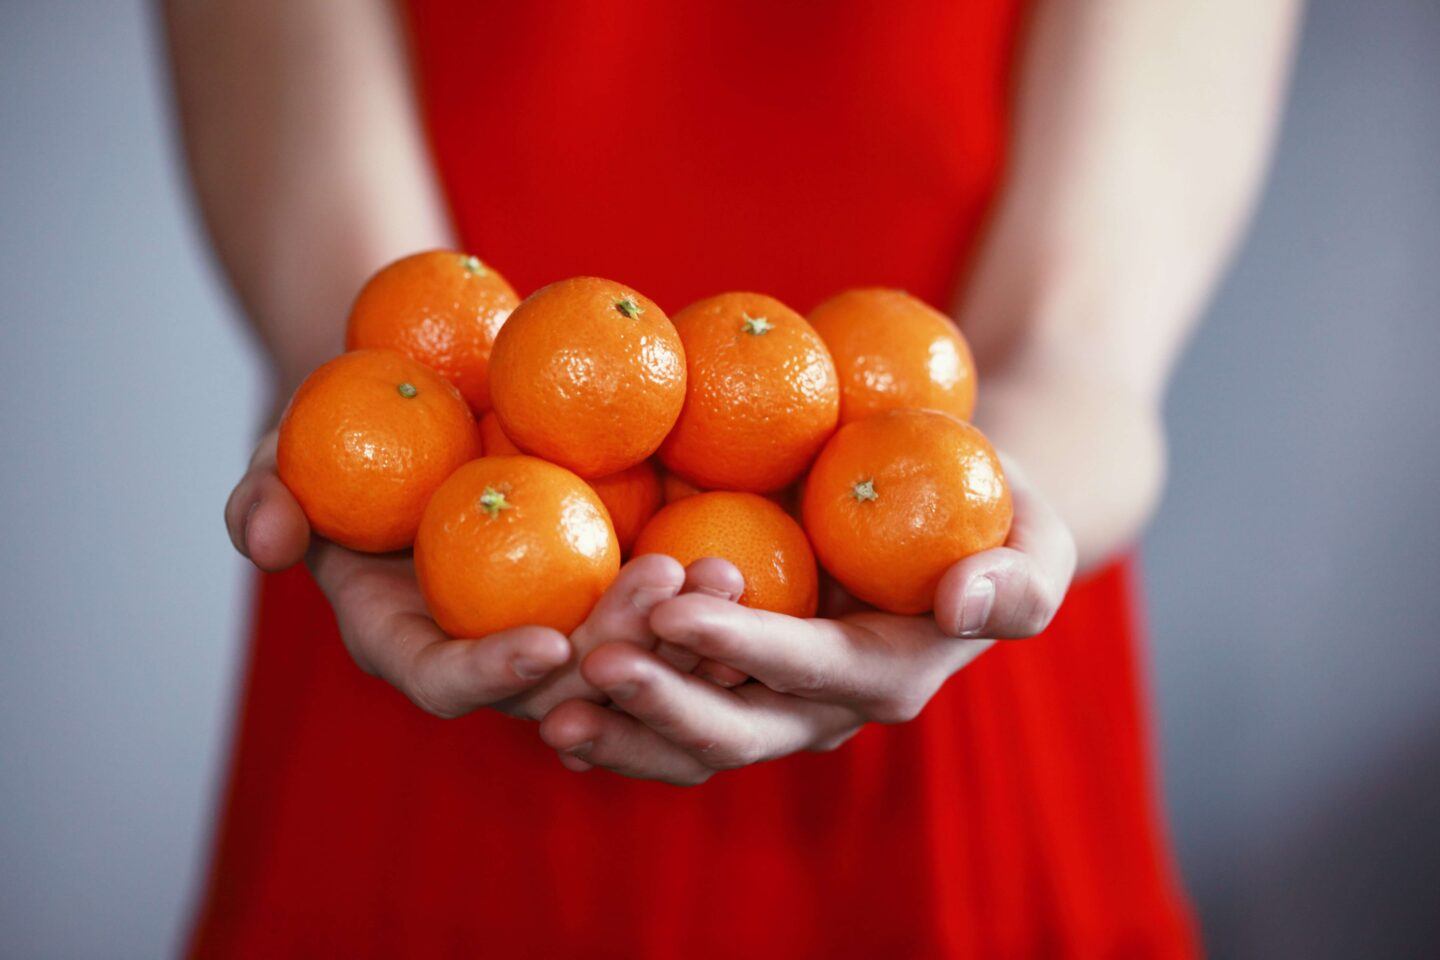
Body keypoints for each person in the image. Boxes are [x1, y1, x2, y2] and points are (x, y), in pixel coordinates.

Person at [167, 1, 1298, 956]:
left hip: (936, 654)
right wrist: (390, 467)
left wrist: (995, 499)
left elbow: (1076, 348)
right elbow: (380, 328)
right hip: (447, 611)